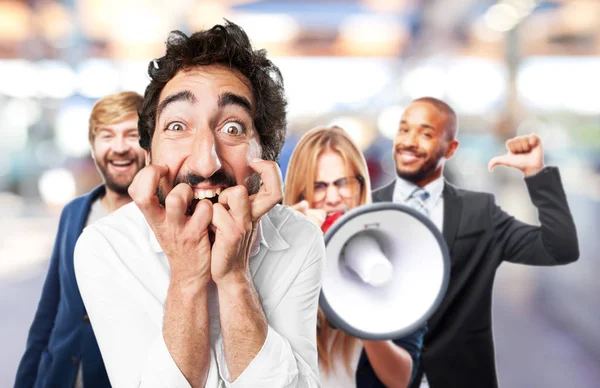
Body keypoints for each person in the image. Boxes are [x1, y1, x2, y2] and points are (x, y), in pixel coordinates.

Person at [73, 21, 325, 388]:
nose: (206, 163)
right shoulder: (106, 247)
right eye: (177, 126)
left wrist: (234, 276)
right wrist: (188, 277)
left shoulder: (299, 239)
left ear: (265, 156)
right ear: (149, 153)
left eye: (233, 128)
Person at [372, 96, 580, 388]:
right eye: (404, 130)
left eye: (426, 133)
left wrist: (536, 174)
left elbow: (559, 248)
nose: (409, 141)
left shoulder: (479, 213)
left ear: (451, 148)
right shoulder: (365, 211)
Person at [15, 91, 146, 388]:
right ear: (93, 146)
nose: (119, 148)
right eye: (107, 136)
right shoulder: (75, 212)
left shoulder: (162, 221)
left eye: (132, 135)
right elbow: (50, 308)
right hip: (57, 375)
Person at [284, 125, 426, 388]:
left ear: (361, 185)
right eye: (318, 186)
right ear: (300, 193)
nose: (333, 197)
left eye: (342, 183)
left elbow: (402, 379)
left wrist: (363, 313)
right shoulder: (279, 253)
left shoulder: (397, 257)